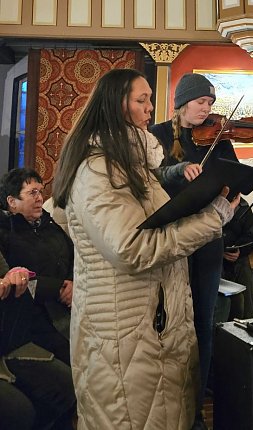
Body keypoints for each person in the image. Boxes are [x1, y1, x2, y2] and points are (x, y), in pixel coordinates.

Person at [51, 68, 237, 429]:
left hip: (149, 328)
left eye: (150, 99)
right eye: (142, 100)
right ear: (118, 105)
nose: (151, 108)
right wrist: (211, 219)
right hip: (123, 334)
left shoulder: (133, 162)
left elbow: (155, 223)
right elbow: (131, 248)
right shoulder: (98, 166)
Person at [149, 73, 253, 424]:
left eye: (211, 104)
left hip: (209, 239)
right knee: (170, 325)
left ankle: (195, 411)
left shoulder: (221, 141)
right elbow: (152, 175)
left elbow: (247, 175)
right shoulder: (159, 135)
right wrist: (181, 169)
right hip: (171, 238)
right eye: (200, 102)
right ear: (181, 103)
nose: (207, 110)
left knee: (204, 325)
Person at [0, 168, 73, 364]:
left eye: (40, 191)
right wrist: (57, 289)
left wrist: (73, 284)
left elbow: (73, 256)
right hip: (35, 316)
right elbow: (11, 277)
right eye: (32, 193)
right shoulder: (6, 233)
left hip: (70, 305)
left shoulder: (49, 224)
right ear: (12, 202)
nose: (40, 198)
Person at [0, 255, 76, 430]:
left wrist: (15, 277)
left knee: (66, 385)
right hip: (32, 327)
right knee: (17, 409)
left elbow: (9, 278)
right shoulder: (7, 230)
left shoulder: (52, 229)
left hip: (8, 341)